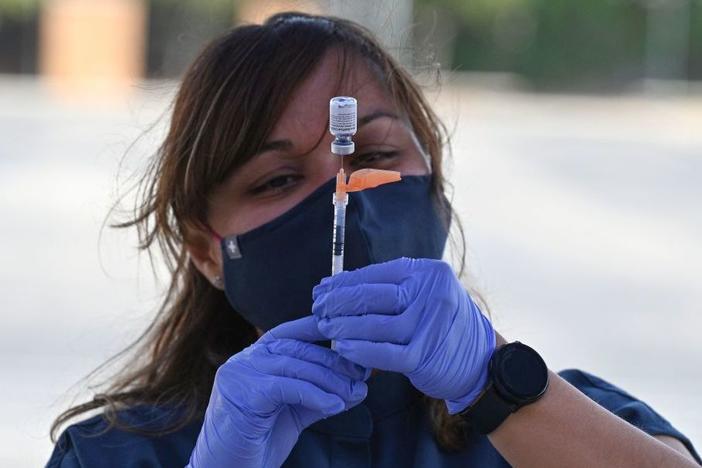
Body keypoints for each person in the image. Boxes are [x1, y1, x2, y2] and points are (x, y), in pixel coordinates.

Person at [47, 12, 700, 468]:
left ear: (436, 183)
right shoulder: (115, 455)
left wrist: (498, 386)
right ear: (205, 248)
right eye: (277, 179)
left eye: (376, 154)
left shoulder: (565, 424)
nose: (344, 197)